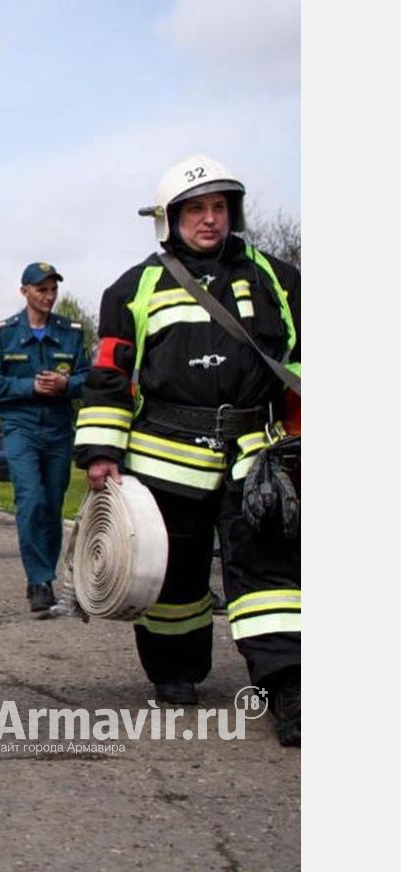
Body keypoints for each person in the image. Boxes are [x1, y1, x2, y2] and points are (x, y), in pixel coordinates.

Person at [74, 155, 300, 744]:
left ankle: (290, 689)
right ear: (169, 219)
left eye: (218, 208)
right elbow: (109, 375)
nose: (209, 220)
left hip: (256, 456)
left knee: (274, 578)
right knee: (174, 577)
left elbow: (302, 359)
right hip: (163, 458)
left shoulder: (279, 277)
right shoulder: (133, 286)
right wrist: (101, 451)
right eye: (196, 209)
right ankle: (175, 673)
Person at [0, 263, 88, 613]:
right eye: (41, 290)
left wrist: (66, 384)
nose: (49, 296)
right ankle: (38, 578)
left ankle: (46, 573)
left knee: (53, 503)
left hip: (58, 427)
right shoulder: (4, 335)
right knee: (31, 498)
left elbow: (89, 377)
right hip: (20, 426)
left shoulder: (71, 333)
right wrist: (29, 386)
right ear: (24, 291)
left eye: (53, 289)